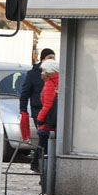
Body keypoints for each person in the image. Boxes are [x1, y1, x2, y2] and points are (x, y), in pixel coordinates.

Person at [18, 48, 55, 172]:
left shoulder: (54, 74)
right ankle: (38, 164)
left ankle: (37, 163)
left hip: (50, 112)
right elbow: (25, 93)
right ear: (43, 59)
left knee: (44, 139)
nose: (53, 60)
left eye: (53, 57)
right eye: (50, 57)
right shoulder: (33, 73)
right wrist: (23, 110)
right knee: (43, 138)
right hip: (38, 110)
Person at [35, 57, 61, 185]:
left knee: (43, 153)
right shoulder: (59, 82)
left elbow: (47, 105)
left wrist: (39, 120)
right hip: (54, 124)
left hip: (46, 125)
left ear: (50, 71)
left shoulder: (50, 84)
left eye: (43, 70)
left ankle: (45, 178)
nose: (41, 73)